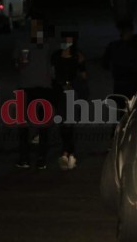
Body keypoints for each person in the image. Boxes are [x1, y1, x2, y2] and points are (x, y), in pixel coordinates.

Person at [12, 18, 54, 170]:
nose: (36, 30)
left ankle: (41, 157)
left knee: (43, 125)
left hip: (44, 88)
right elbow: (15, 64)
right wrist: (20, 63)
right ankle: (24, 157)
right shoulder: (22, 43)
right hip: (25, 87)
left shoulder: (49, 45)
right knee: (23, 125)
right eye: (33, 27)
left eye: (39, 27)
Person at [51, 33, 87, 170]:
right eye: (65, 41)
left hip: (72, 91)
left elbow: (84, 75)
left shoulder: (77, 56)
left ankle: (68, 152)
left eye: (70, 41)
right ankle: (67, 151)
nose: (67, 44)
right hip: (59, 91)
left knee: (69, 123)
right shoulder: (56, 56)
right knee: (62, 122)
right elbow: (52, 72)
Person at [102, 22, 137, 99]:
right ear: (131, 32)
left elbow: (105, 64)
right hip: (133, 84)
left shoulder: (113, 46)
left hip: (118, 83)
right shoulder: (135, 48)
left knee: (120, 104)